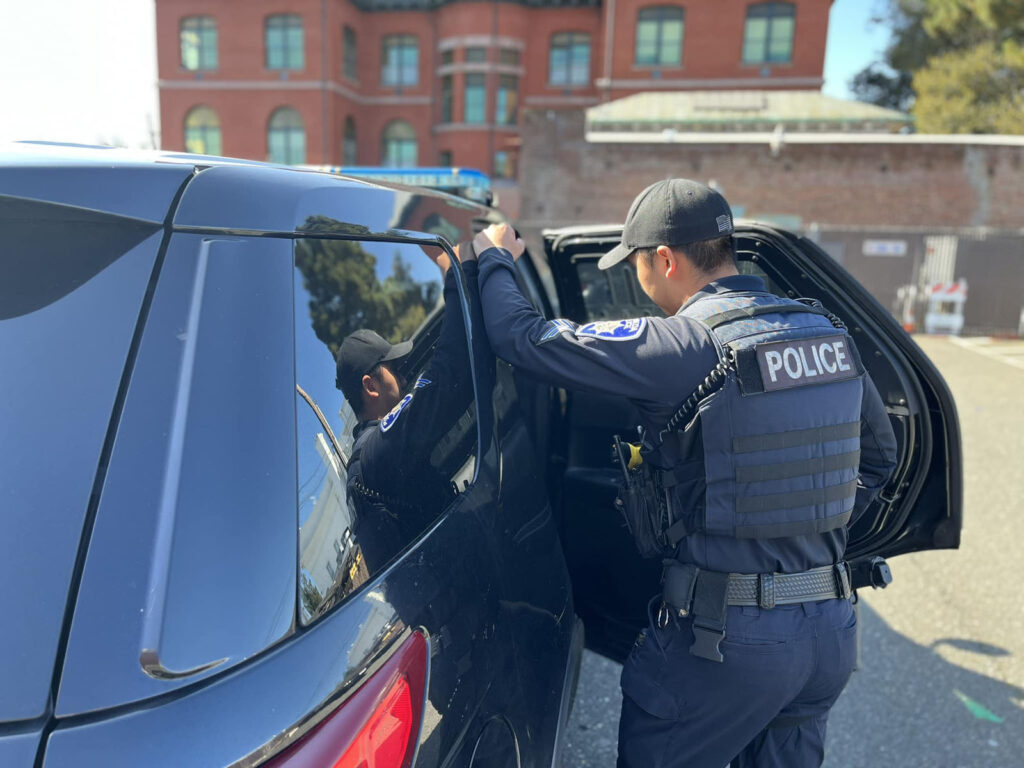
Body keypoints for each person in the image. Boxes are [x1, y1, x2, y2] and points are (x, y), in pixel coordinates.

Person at [471, 179, 898, 768]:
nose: (639, 281)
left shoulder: (683, 345)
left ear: (665, 259)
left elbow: (524, 338)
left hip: (724, 645)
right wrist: (802, 534)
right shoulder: (823, 331)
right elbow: (880, 459)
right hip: (829, 631)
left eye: (638, 264)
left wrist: (493, 257)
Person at [336, 243, 482, 571]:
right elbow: (451, 374)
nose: (403, 378)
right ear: (370, 386)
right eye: (394, 369)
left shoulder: (371, 460)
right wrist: (455, 271)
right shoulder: (377, 453)